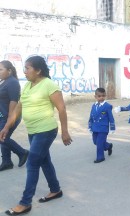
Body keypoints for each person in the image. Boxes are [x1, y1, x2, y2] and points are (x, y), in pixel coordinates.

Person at [0, 56, 72, 215]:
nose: (24, 71)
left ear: (38, 70)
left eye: (27, 68)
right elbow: (18, 109)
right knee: (44, 161)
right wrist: (6, 127)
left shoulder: (49, 85)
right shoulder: (27, 86)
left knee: (32, 163)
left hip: (46, 130)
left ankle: (25, 203)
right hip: (33, 130)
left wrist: (64, 131)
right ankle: (55, 190)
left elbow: (61, 109)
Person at [0, 60, 29, 172]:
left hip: (9, 116)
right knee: (3, 138)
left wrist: (9, 120)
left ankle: (22, 152)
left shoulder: (12, 82)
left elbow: (13, 102)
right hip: (2, 116)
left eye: (1, 69)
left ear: (9, 70)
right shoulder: (4, 81)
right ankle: (7, 162)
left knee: (2, 137)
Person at [88, 88, 115, 163]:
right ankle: (108, 146)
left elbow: (111, 118)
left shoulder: (107, 106)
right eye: (99, 96)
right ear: (95, 96)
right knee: (95, 142)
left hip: (103, 128)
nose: (101, 98)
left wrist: (112, 128)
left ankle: (100, 157)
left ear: (105, 96)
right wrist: (89, 126)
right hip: (95, 127)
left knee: (99, 143)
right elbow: (91, 116)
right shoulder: (94, 105)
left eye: (103, 96)